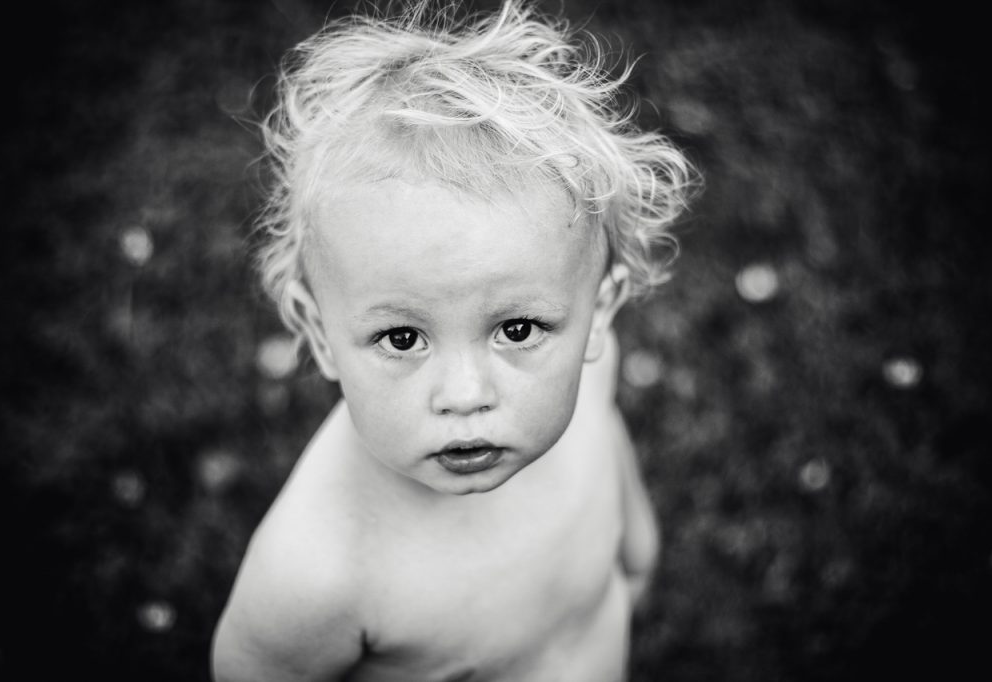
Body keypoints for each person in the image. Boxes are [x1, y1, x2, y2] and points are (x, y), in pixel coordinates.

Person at [212, 1, 695, 679]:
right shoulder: (317, 575)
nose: (465, 394)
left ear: (600, 313)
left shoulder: (589, 378)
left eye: (517, 329)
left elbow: (606, 450)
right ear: (319, 332)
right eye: (403, 337)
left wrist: (637, 552)